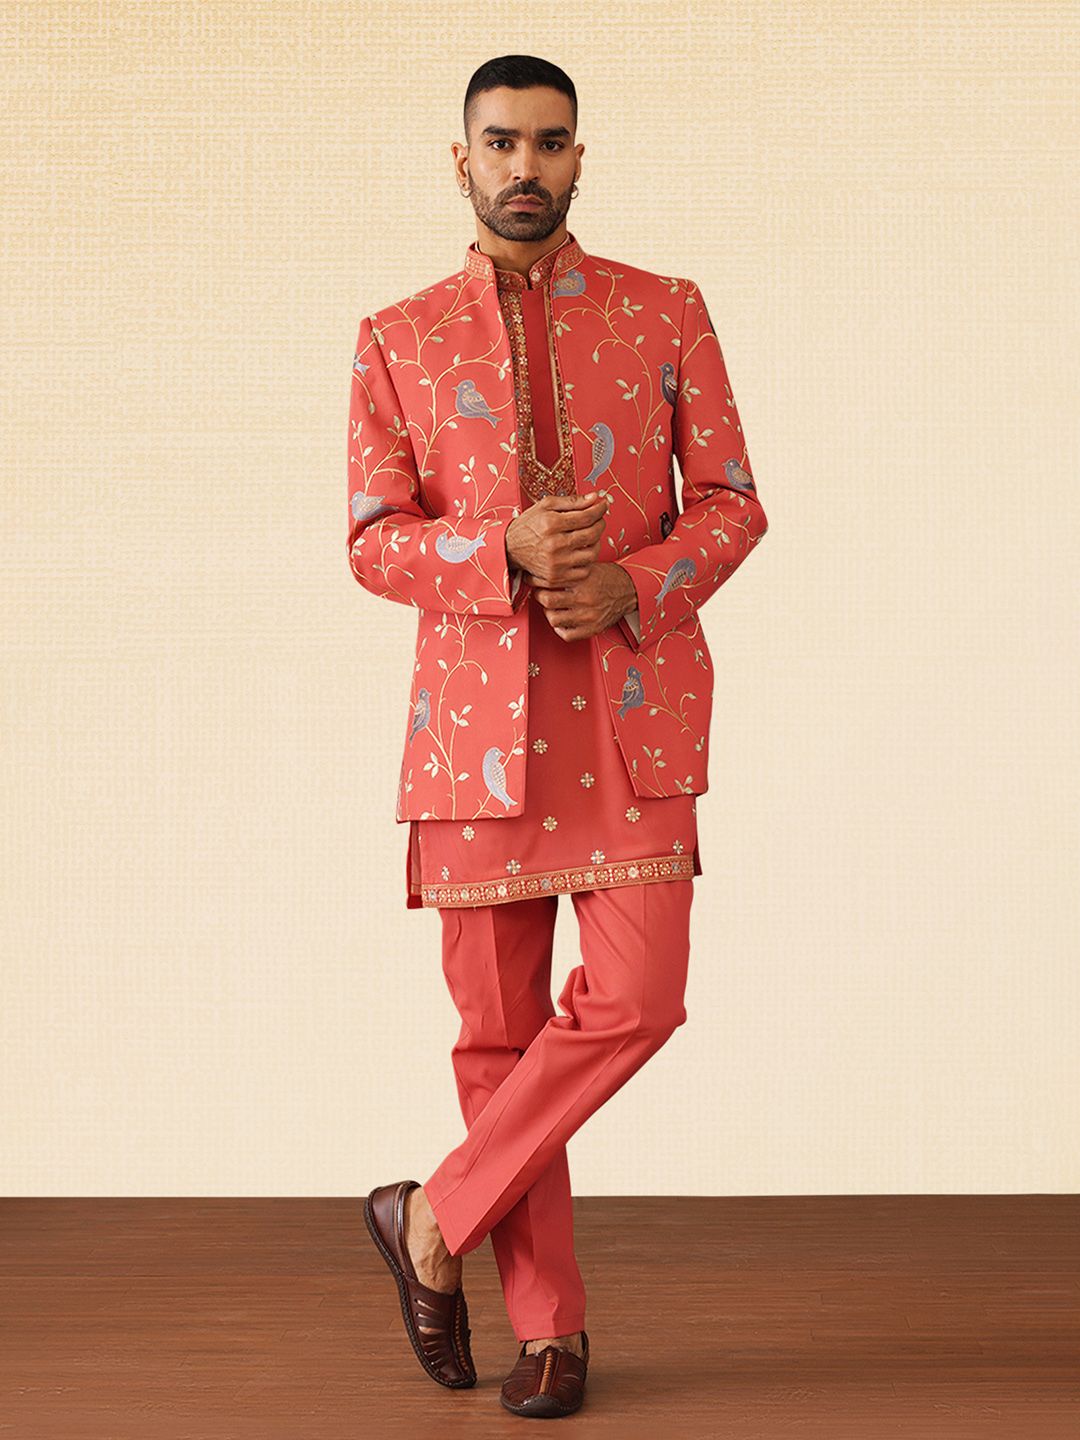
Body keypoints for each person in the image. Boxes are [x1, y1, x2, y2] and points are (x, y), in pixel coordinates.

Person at [352, 54, 768, 1419]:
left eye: (549, 142)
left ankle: (433, 1218)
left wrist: (635, 583)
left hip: (630, 715)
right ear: (460, 158)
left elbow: (732, 501)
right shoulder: (399, 337)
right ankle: (550, 1331)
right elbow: (373, 542)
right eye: (501, 143)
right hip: (475, 736)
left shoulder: (666, 311)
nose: (525, 166)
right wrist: (503, 552)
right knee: (499, 1035)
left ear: (580, 156)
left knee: (639, 997)